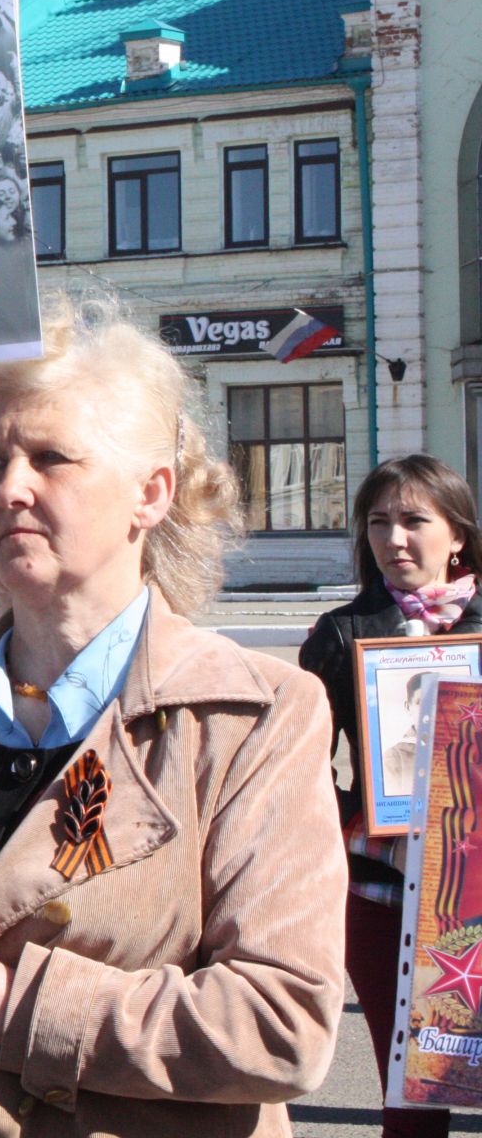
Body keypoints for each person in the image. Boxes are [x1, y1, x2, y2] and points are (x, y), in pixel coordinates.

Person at [0, 295, 347, 1136]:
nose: (10, 488)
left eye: (51, 459)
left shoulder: (253, 718)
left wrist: (14, 1007)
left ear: (149, 494)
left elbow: (282, 1021)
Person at [299, 453, 482, 1138]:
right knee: (413, 1091)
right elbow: (303, 766)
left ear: (457, 534)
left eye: (414, 520)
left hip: (480, 880)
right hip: (382, 889)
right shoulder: (341, 633)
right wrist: (354, 818)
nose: (394, 538)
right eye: (379, 522)